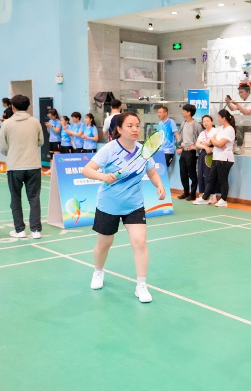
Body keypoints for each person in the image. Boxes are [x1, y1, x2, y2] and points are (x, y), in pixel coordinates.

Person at [82, 112, 166, 303]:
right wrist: (104, 176)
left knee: (140, 242)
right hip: (109, 205)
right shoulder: (109, 149)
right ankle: (98, 271)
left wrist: (159, 185)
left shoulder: (143, 150)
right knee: (104, 244)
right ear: (119, 129)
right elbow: (87, 170)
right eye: (130, 126)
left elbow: (152, 173)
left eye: (137, 125)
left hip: (134, 205)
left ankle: (141, 285)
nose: (135, 129)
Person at [0, 94, 45, 239]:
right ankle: (36, 230)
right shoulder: (35, 122)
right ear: (28, 107)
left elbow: (3, 147)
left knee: (15, 198)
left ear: (12, 107)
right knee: (34, 198)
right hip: (33, 165)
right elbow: (41, 142)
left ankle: (20, 230)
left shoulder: (6, 123)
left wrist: (12, 153)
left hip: (14, 166)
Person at [193, 109, 236, 207]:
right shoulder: (219, 128)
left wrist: (215, 142)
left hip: (225, 159)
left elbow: (219, 143)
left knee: (222, 180)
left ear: (223, 118)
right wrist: (214, 142)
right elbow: (211, 141)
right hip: (216, 157)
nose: (218, 119)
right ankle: (205, 198)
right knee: (211, 179)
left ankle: (223, 199)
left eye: (219, 117)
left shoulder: (230, 129)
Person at [176, 104, 203, 200]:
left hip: (191, 152)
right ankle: (186, 192)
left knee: (192, 174)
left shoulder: (197, 125)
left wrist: (195, 147)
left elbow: (201, 138)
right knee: (183, 173)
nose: (182, 112)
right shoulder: (183, 124)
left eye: (183, 111)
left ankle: (193, 194)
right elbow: (181, 137)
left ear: (189, 113)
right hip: (184, 151)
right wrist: (180, 146)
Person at [225, 83, 251, 154]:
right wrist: (228, 102)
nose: (240, 94)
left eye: (241, 92)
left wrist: (237, 104)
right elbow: (233, 108)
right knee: (232, 126)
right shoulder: (243, 101)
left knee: (239, 127)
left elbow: (247, 113)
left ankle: (239, 146)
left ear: (248, 92)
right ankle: (231, 144)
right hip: (244, 122)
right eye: (239, 93)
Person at [194, 115, 218, 204]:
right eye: (204, 121)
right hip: (203, 154)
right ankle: (204, 194)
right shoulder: (202, 133)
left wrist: (205, 144)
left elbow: (211, 142)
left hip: (213, 155)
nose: (206, 123)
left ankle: (213, 196)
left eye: (208, 121)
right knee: (201, 174)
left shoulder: (216, 131)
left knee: (210, 175)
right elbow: (197, 144)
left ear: (212, 122)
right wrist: (205, 146)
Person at [43, 108, 61, 175]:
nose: (50, 117)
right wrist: (48, 127)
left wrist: (51, 125)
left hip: (57, 140)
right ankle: (51, 169)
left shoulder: (58, 122)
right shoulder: (50, 121)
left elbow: (57, 131)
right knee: (51, 155)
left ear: (55, 115)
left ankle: (57, 169)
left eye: (51, 116)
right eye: (49, 116)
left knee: (56, 156)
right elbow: (48, 131)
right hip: (51, 140)